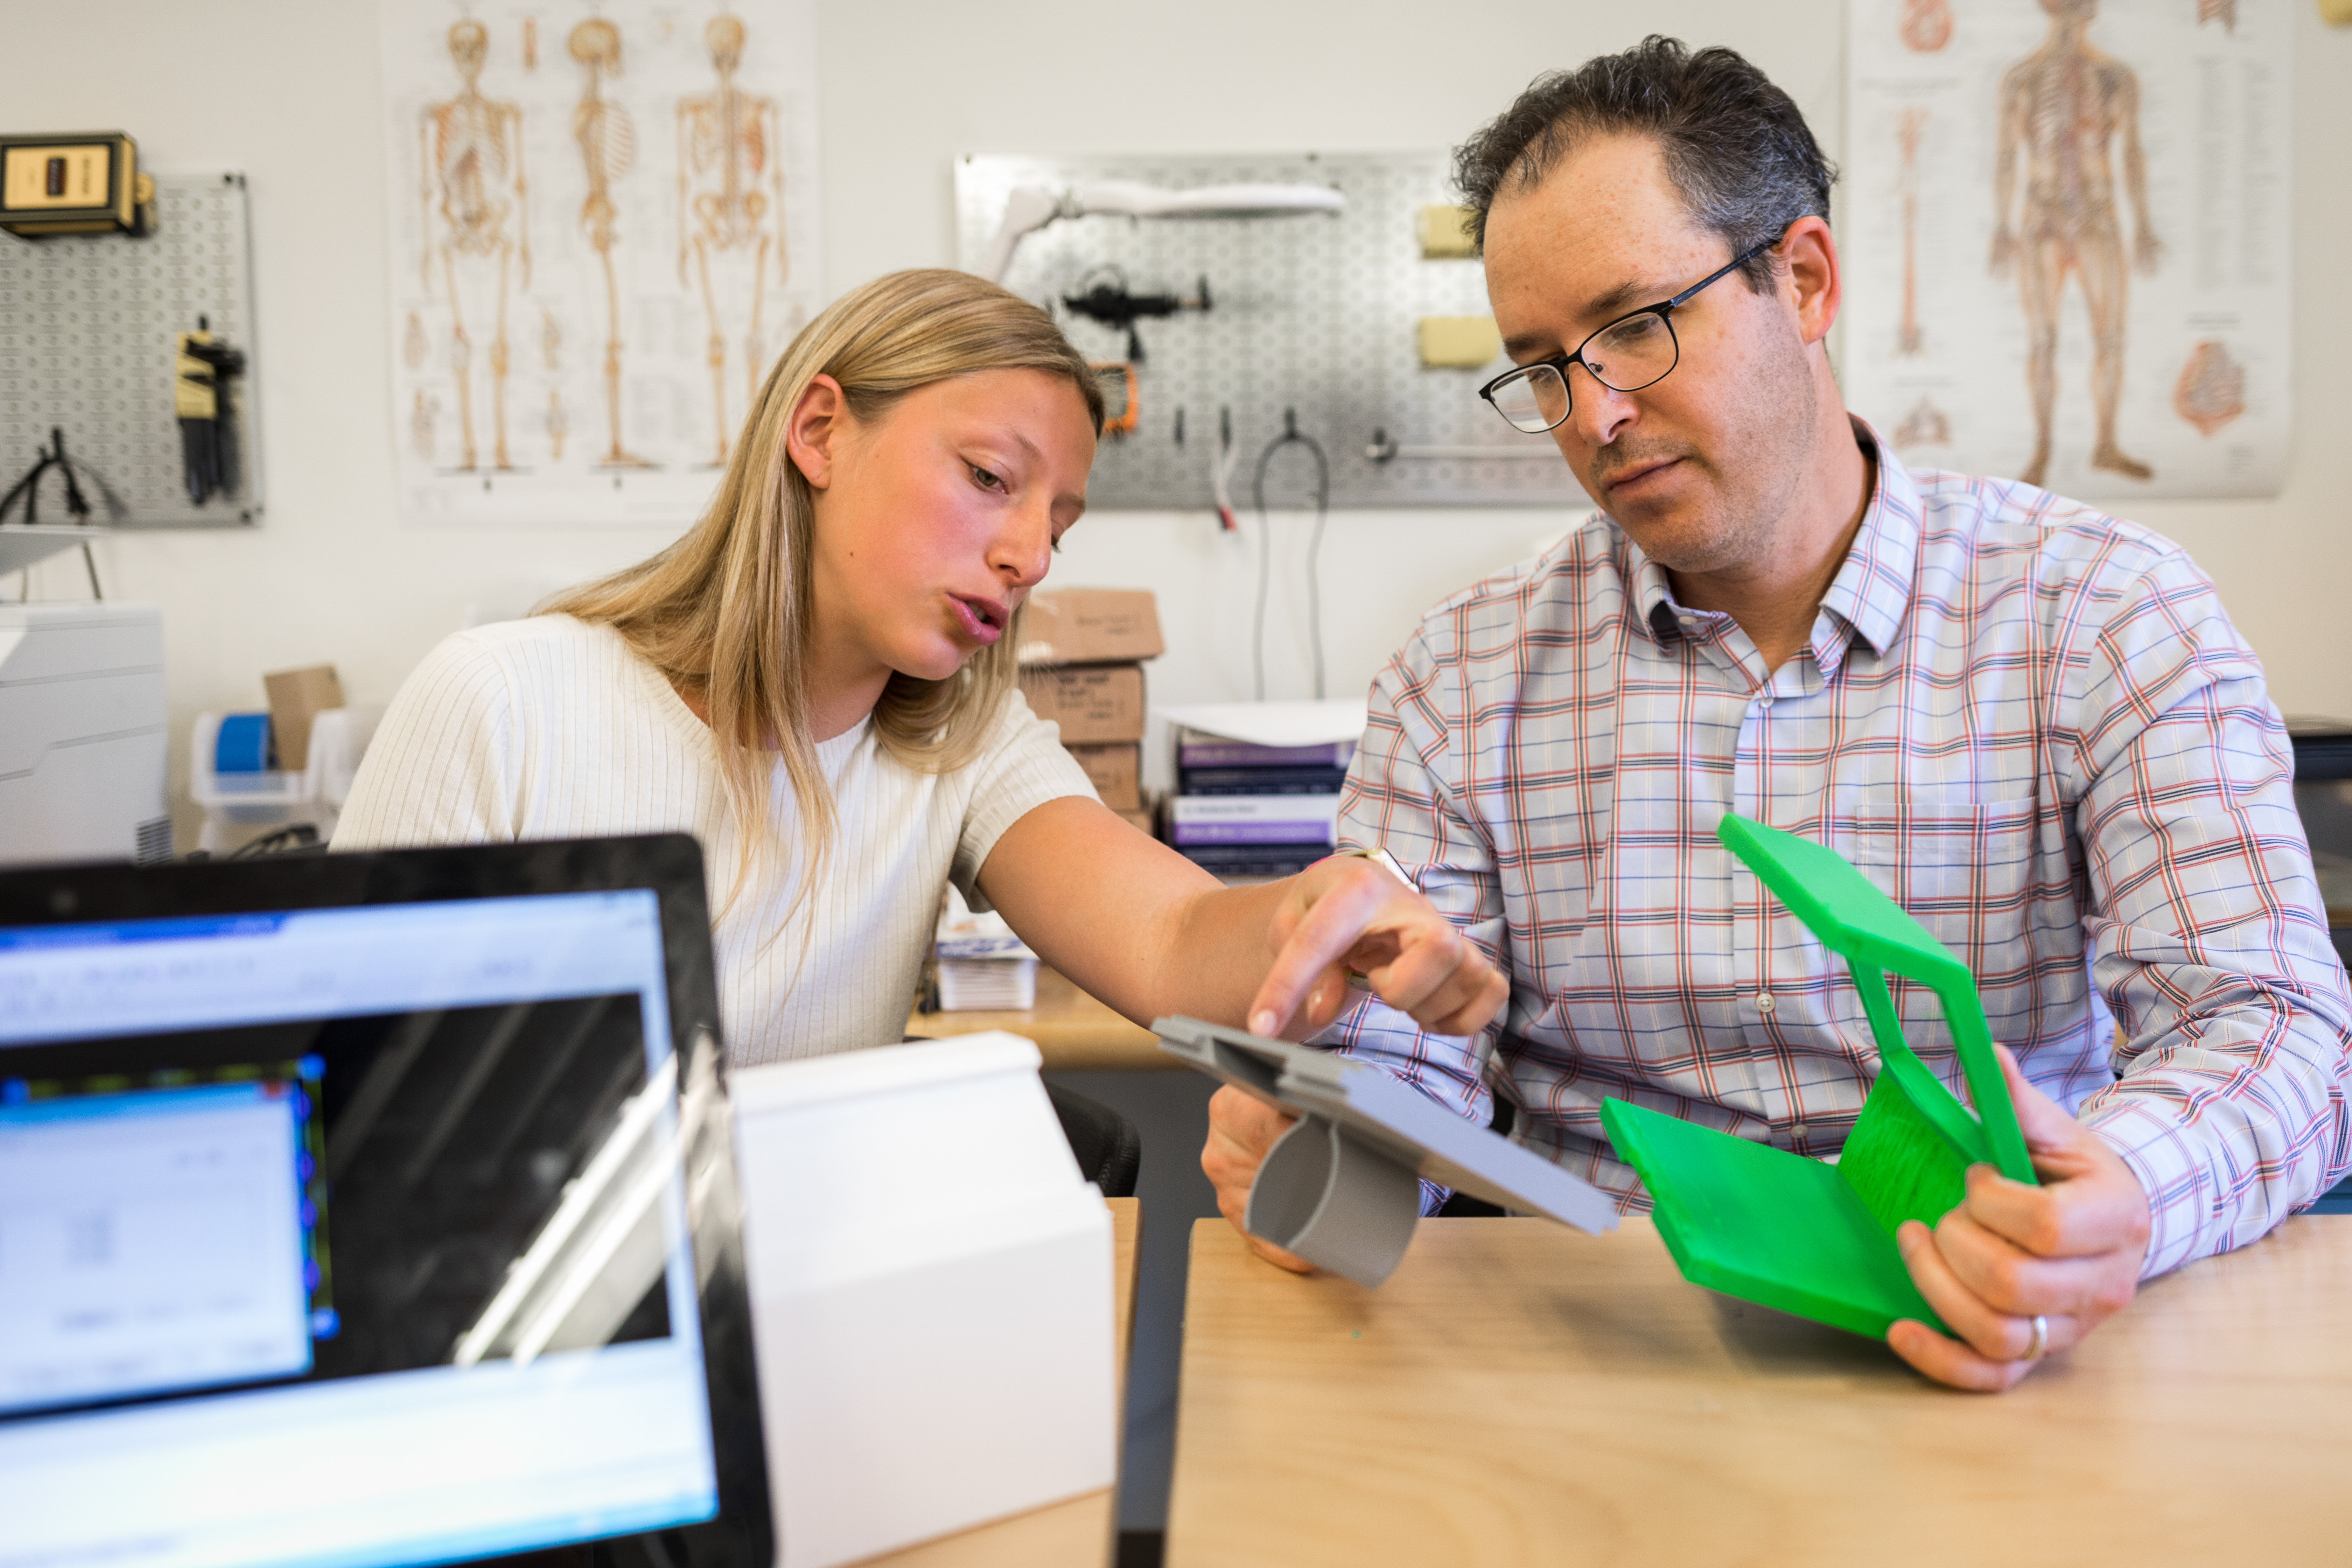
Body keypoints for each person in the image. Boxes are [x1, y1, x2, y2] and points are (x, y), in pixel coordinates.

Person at [1200, 39, 2352, 1392]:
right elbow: (1412, 1056)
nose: (1597, 412)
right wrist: (1331, 1132)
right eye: (1543, 368)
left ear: (1803, 278)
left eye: (1636, 324)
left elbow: (2271, 1025)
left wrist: (2121, 1192)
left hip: (1987, 1318)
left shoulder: (2104, 610)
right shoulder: (1459, 679)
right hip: (1608, 1350)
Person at [338, 268, 1505, 1070]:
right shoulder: (504, 707)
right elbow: (350, 1113)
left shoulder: (963, 746)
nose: (1031, 553)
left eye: (1062, 522)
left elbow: (1169, 939)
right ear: (820, 432)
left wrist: (1316, 918)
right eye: (992, 479)